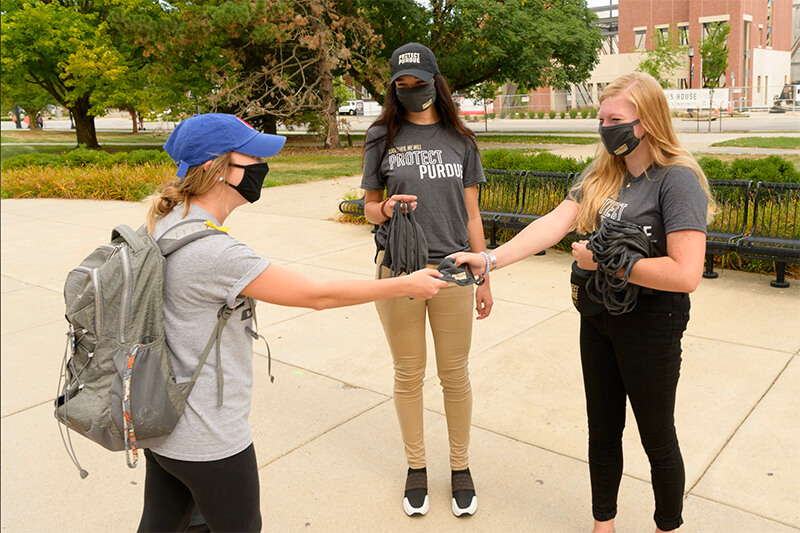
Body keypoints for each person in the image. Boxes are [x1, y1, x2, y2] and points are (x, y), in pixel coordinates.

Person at [137, 113, 447, 533]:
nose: (262, 169)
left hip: (162, 427)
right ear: (216, 169)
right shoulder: (216, 253)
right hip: (209, 437)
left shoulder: (166, 222)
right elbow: (316, 294)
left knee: (164, 526)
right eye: (253, 159)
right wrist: (402, 284)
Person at [451, 72, 714, 533]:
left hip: (651, 323)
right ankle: (603, 524)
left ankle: (667, 526)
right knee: (603, 429)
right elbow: (553, 224)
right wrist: (490, 259)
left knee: (656, 435)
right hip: (598, 318)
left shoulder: (677, 181)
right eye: (600, 117)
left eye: (615, 119)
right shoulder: (602, 174)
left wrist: (608, 262)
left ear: (646, 123)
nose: (604, 127)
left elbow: (686, 274)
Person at [361, 42, 493, 518]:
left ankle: (460, 467)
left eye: (420, 83)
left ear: (437, 82)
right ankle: (416, 467)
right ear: (394, 87)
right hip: (399, 269)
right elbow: (368, 205)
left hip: (455, 270)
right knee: (408, 374)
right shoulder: (381, 136)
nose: (412, 92)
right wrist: (386, 209)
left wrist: (485, 273)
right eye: (403, 85)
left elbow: (472, 214)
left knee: (454, 375)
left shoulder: (462, 141)